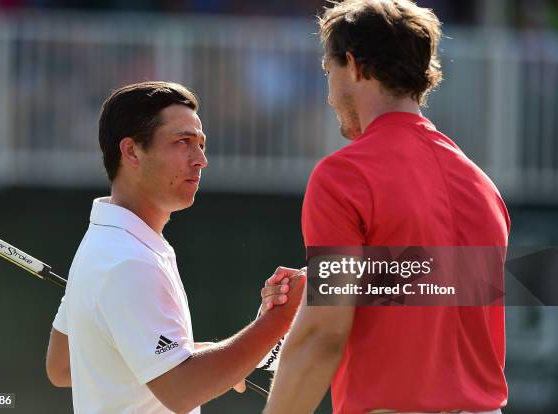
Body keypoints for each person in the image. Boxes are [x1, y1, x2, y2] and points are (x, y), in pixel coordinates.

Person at [264, 1, 510, 413]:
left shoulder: (343, 175)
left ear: (354, 65)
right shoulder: (481, 184)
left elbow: (322, 336)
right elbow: (431, 289)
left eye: (329, 73)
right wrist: (324, 282)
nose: (328, 97)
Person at [44, 81, 305, 414]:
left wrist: (195, 355)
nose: (200, 160)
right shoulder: (128, 261)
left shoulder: (108, 243)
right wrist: (280, 319)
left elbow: (64, 365)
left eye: (201, 144)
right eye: (183, 142)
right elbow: (182, 391)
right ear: (132, 152)